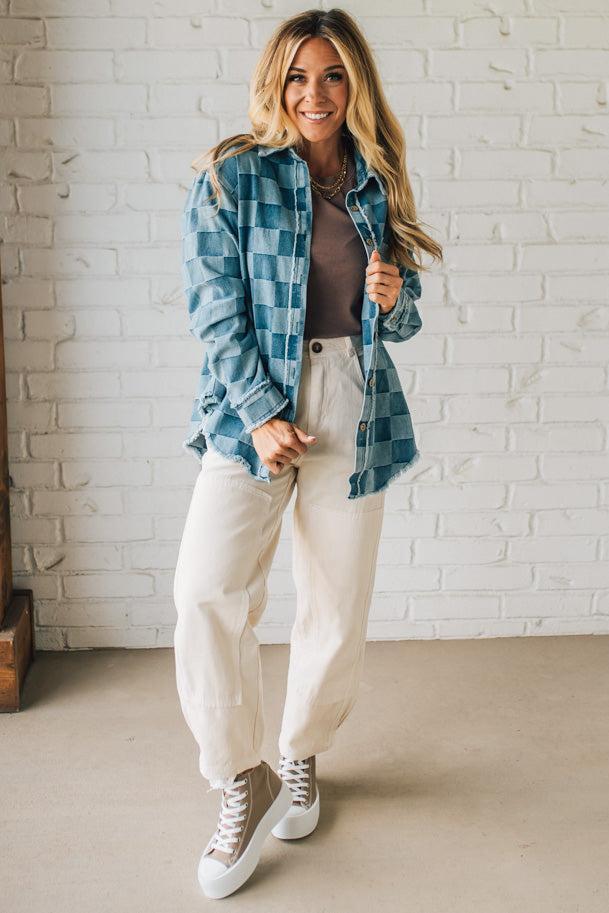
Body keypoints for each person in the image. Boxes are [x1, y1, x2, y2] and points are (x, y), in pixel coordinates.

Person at [172, 7, 442, 900]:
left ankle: (299, 755)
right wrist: (256, 413)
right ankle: (237, 778)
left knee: (333, 604)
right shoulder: (231, 177)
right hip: (254, 407)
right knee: (207, 590)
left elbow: (395, 325)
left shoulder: (376, 182)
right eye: (297, 76)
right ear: (275, 84)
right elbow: (214, 310)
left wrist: (392, 295)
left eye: (331, 76)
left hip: (350, 403)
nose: (314, 94)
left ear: (354, 85)